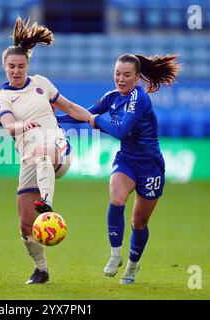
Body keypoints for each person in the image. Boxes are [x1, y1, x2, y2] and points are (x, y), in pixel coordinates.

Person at [56, 53, 180, 284]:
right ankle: (115, 255)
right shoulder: (111, 97)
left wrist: (96, 121)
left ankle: (132, 266)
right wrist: (55, 120)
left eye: (126, 75)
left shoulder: (140, 99)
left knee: (138, 222)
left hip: (150, 166)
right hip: (127, 160)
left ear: (137, 78)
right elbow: (85, 114)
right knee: (116, 199)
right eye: (117, 73)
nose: (120, 79)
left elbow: (121, 130)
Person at [0, 17, 91, 284]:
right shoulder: (1, 97)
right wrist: (23, 125)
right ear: (4, 67)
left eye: (21, 66)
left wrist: (93, 119)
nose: (16, 71)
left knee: (45, 148)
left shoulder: (41, 83)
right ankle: (41, 270)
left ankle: (47, 206)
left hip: (57, 148)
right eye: (11, 66)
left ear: (28, 66)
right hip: (29, 160)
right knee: (25, 224)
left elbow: (69, 108)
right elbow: (9, 126)